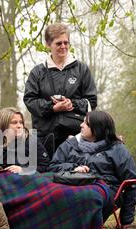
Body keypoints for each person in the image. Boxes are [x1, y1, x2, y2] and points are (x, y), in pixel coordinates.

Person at [49, 111, 136, 225]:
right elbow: (53, 167)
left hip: (105, 191)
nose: (80, 125)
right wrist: (74, 168)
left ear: (97, 128)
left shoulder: (117, 149)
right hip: (71, 187)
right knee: (50, 195)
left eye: (86, 123)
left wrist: (126, 217)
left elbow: (132, 182)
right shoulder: (69, 145)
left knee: (88, 198)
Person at [24, 22, 97, 155]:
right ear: (48, 44)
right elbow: (30, 100)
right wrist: (51, 107)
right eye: (58, 43)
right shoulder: (37, 72)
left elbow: (92, 101)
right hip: (45, 137)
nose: (63, 46)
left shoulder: (81, 69)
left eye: (66, 42)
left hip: (76, 137)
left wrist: (72, 104)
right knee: (46, 174)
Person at [0, 107, 50, 175]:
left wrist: (23, 170)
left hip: (24, 181)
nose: (19, 126)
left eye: (21, 122)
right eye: (14, 123)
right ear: (3, 125)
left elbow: (44, 165)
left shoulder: (31, 141)